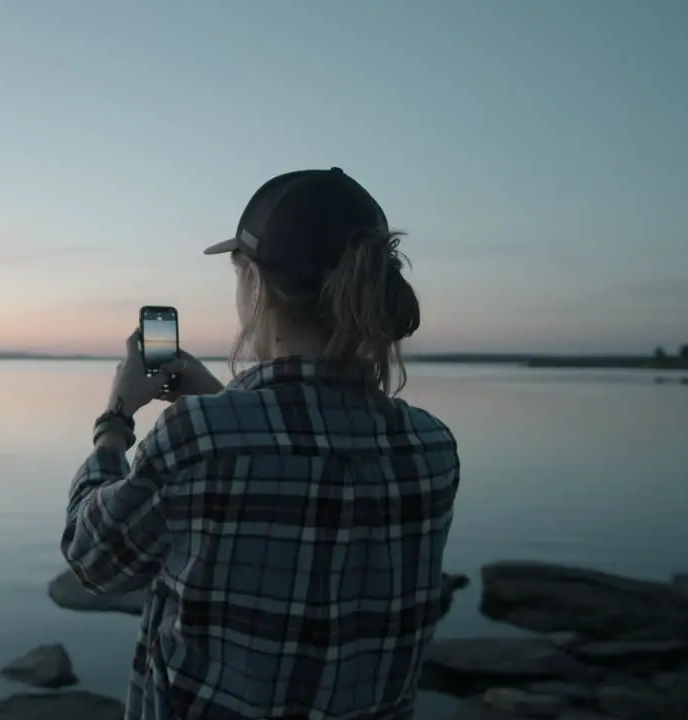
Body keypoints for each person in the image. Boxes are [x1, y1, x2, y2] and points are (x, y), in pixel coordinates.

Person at [60, 168, 460, 720]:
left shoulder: (201, 438)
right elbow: (310, 472)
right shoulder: (431, 448)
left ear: (254, 283)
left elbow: (92, 558)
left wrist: (116, 418)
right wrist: (221, 400)